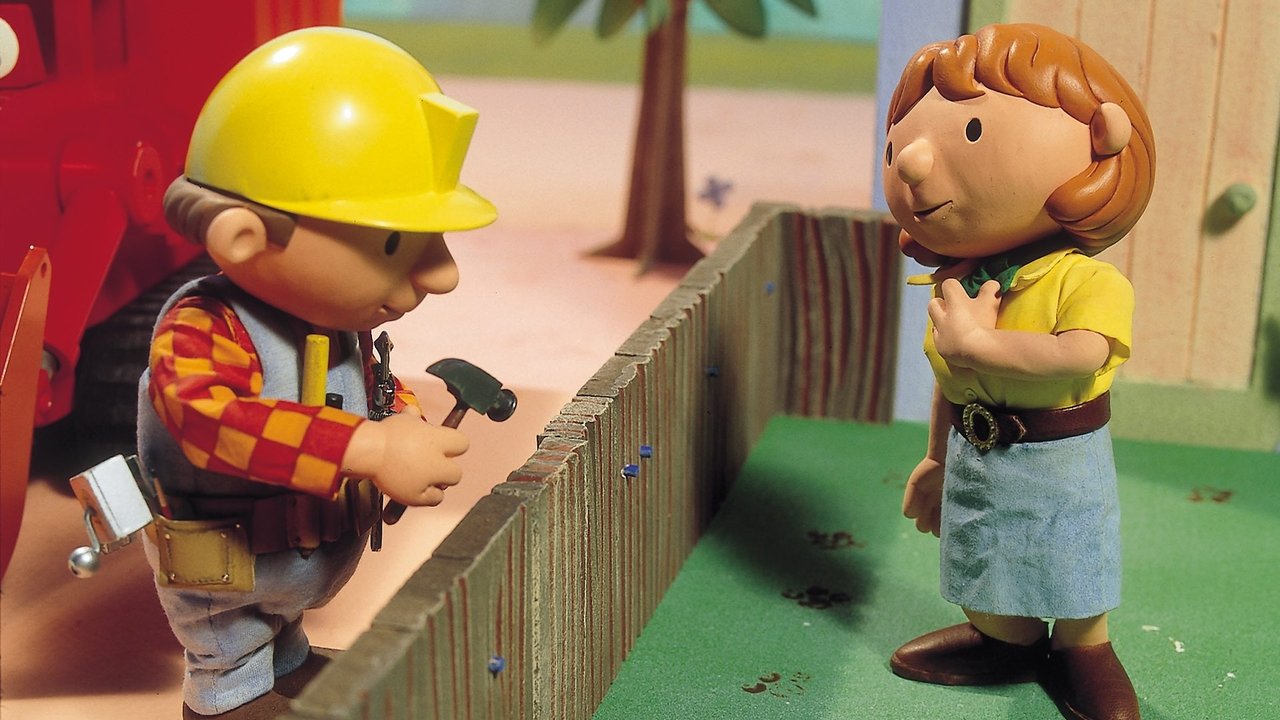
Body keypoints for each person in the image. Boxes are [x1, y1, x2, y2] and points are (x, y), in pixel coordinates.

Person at [136, 27, 497, 719]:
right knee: (234, 650)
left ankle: (287, 658)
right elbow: (212, 423)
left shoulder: (336, 320)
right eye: (395, 243)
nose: (442, 275)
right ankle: (228, 692)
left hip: (298, 566)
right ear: (243, 236)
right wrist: (371, 449)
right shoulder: (206, 328)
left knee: (286, 644)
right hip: (228, 574)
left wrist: (402, 419)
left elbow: (368, 384)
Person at [881, 23, 1155, 720]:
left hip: (1058, 458)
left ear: (1102, 139)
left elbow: (1083, 353)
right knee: (984, 554)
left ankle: (1083, 650)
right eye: (898, 145)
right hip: (977, 453)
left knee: (1071, 558)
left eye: (971, 132)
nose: (910, 163)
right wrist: (935, 456)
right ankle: (1005, 640)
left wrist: (983, 347)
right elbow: (951, 381)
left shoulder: (1083, 280)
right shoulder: (959, 284)